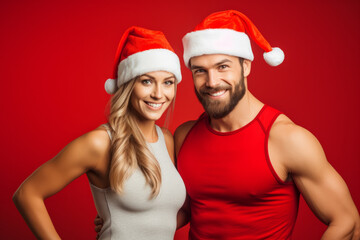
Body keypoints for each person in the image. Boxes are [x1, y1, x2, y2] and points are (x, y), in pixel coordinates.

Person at [173, 10, 360, 239]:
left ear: (246, 67)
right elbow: (185, 209)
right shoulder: (185, 135)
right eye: (200, 70)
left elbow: (346, 222)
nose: (212, 82)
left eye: (223, 67)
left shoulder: (286, 139)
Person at [13, 26, 186, 240]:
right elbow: (27, 194)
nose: (159, 94)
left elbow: (165, 216)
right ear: (128, 85)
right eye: (147, 81)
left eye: (168, 82)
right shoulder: (101, 142)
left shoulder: (166, 140)